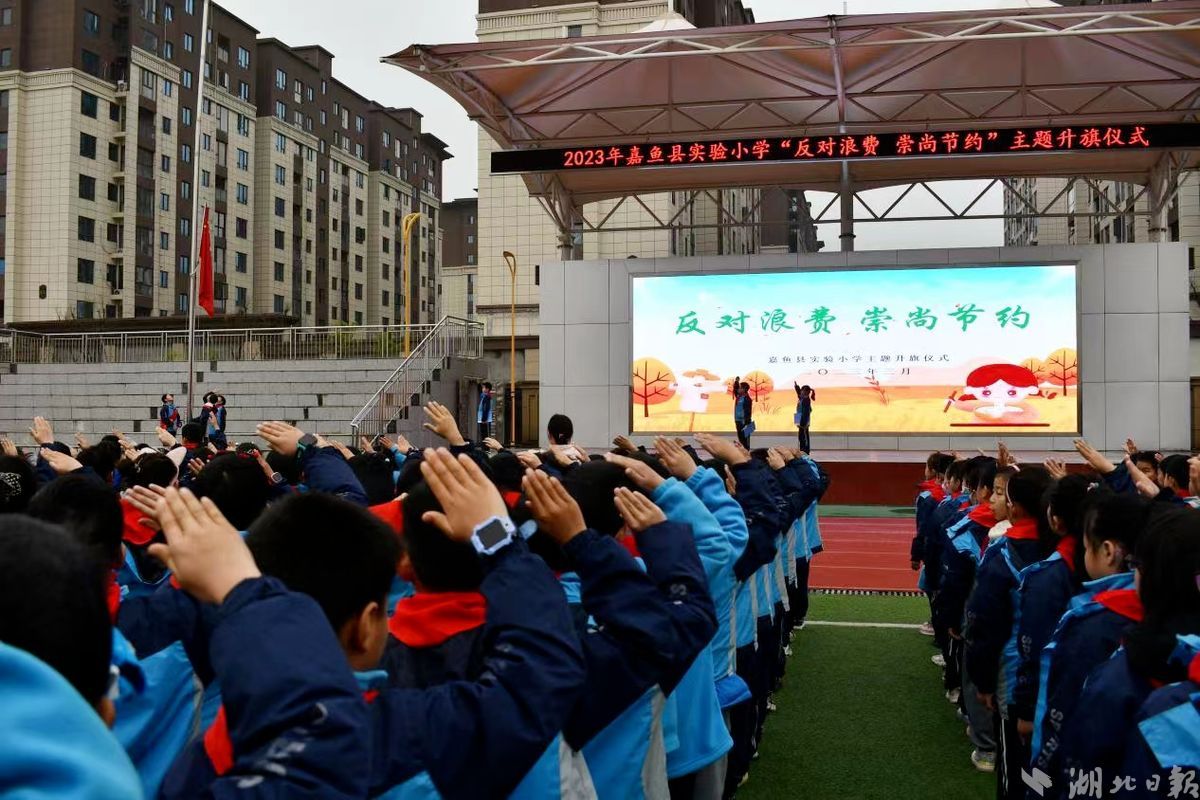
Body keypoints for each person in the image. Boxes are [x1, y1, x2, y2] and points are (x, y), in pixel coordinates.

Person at [1028, 492, 1151, 798]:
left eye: (1086, 547)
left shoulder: (1089, 626)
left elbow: (1060, 722)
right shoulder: (1169, 616)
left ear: (1108, 552)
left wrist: (1037, 785)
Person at [793, 383, 815, 453]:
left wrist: (803, 423)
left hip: (803, 421)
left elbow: (806, 413)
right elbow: (799, 393)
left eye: (802, 391)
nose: (801, 392)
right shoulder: (802, 398)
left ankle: (805, 451)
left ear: (805, 392)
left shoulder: (806, 400)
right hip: (799, 418)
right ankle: (802, 450)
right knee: (800, 436)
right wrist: (796, 387)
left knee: (803, 436)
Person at [733, 379, 753, 449]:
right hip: (738, 421)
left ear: (744, 389)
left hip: (745, 422)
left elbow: (748, 412)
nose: (738, 389)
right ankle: (742, 454)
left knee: (745, 441)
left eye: (740, 388)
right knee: (741, 439)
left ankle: (747, 455)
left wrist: (746, 424)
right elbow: (735, 390)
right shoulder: (739, 397)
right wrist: (736, 382)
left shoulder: (747, 399)